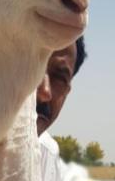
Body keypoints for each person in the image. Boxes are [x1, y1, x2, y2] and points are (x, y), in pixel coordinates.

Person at [36, 36, 87, 180]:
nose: (44, 91)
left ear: (67, 91)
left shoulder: (47, 154)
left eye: (58, 78)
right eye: (31, 66)